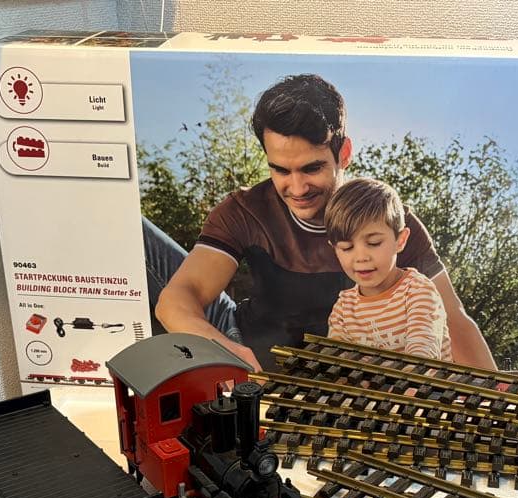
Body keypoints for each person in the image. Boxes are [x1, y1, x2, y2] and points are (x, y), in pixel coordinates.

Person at [152, 73, 495, 372]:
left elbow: (453, 319)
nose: (297, 188)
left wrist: (497, 402)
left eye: (312, 168)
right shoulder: (244, 209)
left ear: (343, 154)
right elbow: (176, 299)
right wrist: (223, 352)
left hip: (325, 373)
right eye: (280, 170)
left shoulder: (388, 220)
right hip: (239, 341)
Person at [325, 178, 452, 361]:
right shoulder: (343, 309)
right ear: (335, 249)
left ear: (400, 240)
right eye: (346, 247)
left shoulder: (418, 291)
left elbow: (422, 357)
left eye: (374, 243)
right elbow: (336, 362)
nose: (361, 257)